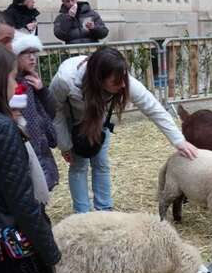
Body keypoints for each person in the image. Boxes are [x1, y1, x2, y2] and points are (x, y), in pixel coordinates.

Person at [50, 47, 197, 213]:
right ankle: (82, 215)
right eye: (115, 82)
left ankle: (105, 210)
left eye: (123, 79)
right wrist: (65, 144)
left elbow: (153, 108)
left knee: (101, 163)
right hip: (74, 124)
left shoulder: (123, 81)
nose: (122, 86)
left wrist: (179, 141)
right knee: (79, 165)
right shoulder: (65, 80)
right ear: (99, 79)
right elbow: (55, 110)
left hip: (100, 121)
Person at [0, 42, 61, 273]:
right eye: (11, 77)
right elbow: (21, 201)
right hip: (14, 245)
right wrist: (50, 250)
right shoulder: (1, 129)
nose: (14, 84)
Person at [12, 31, 59, 192]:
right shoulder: (11, 85)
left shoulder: (32, 81)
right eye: (26, 53)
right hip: (25, 149)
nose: (32, 58)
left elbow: (51, 112)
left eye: (34, 53)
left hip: (40, 145)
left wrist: (42, 90)